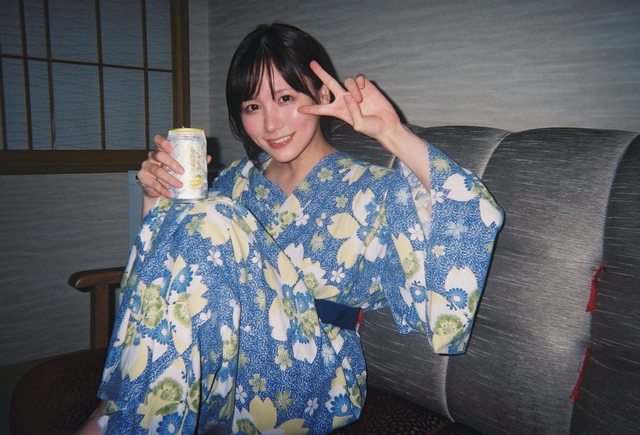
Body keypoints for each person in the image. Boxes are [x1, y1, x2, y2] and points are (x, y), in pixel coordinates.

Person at [84, 22, 503, 434]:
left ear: (322, 94)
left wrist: (393, 133)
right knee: (202, 217)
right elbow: (167, 280)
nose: (270, 125)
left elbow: (472, 210)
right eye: (252, 107)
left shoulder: (377, 190)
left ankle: (111, 420)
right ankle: (113, 417)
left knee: (211, 216)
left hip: (310, 375)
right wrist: (156, 197)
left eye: (285, 98)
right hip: (223, 362)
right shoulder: (235, 182)